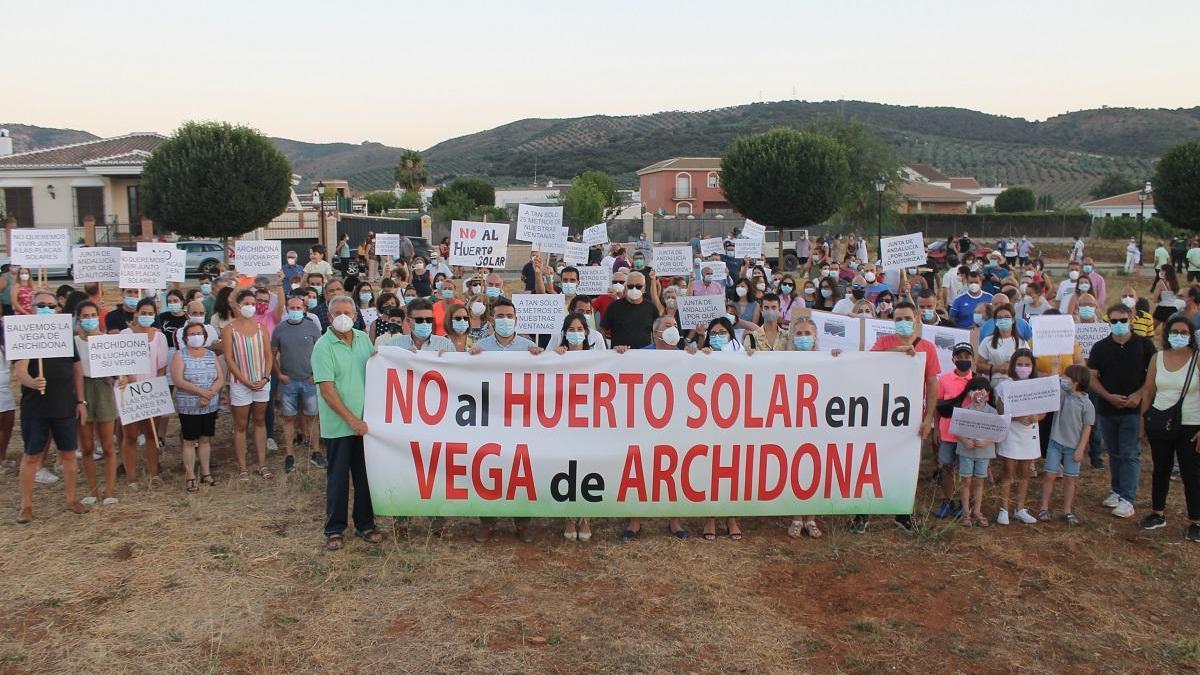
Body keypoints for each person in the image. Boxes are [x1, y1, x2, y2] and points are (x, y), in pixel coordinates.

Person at [469, 298, 544, 543]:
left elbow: (543, 378)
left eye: (509, 316)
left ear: (516, 319)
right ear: (491, 320)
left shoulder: (528, 346)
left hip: (520, 419)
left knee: (521, 470)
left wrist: (541, 357)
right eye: (500, 316)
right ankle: (487, 523)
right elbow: (466, 377)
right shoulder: (481, 346)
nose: (505, 320)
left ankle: (522, 524)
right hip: (489, 418)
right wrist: (469, 359)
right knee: (488, 469)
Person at [313, 294, 384, 550]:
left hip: (366, 425)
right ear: (329, 317)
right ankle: (335, 529)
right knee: (338, 478)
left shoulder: (364, 339)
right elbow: (327, 389)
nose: (344, 317)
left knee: (365, 477)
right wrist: (351, 419)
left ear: (356, 316)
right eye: (338, 313)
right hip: (340, 426)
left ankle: (366, 524)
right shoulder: (323, 346)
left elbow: (379, 368)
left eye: (349, 313)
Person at [15, 291, 89, 522]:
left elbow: (77, 370)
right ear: (32, 307)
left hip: (64, 406)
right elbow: (20, 371)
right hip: (35, 408)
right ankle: (26, 505)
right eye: (41, 305)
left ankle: (72, 499)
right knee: (31, 456)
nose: (46, 308)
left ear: (58, 308)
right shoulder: (25, 335)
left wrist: (81, 401)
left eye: (51, 305)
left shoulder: (64, 336)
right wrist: (32, 382)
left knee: (68, 453)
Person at [1088, 302, 1155, 519]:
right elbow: (1091, 376)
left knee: (1129, 453)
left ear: (1131, 318)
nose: (1118, 325)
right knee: (1114, 452)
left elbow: (1153, 378)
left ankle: (1128, 498)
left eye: (1122, 320)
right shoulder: (1100, 347)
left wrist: (1138, 395)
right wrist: (1107, 396)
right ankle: (1117, 491)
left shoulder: (1144, 346)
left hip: (1134, 410)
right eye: (1114, 321)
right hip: (1108, 409)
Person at [1137, 316, 1200, 542]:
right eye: (1175, 332)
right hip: (1160, 421)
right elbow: (1148, 391)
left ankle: (1196, 520)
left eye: (1184, 332)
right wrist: (1142, 422)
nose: (1179, 336)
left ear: (1191, 335)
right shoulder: (1157, 358)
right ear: (1167, 334)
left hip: (1191, 424)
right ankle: (1157, 513)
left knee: (1191, 473)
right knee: (1160, 468)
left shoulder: (1197, 359)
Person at [551, 312, 596, 542]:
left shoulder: (598, 358)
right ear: (564, 333)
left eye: (580, 329)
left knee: (587, 466)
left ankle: (585, 516)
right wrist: (552, 357)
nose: (576, 333)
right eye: (572, 329)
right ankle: (569, 516)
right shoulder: (556, 356)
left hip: (589, 421)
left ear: (587, 333)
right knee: (566, 466)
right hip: (563, 421)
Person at [117, 298, 169, 491]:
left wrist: (156, 390)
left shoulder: (159, 337)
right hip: (129, 389)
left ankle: (154, 474)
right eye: (143, 313)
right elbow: (121, 363)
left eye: (150, 313)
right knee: (129, 435)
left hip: (151, 390)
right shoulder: (125, 335)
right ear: (136, 313)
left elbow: (161, 367)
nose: (146, 316)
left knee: (151, 434)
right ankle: (132, 478)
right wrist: (130, 380)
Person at [222, 289, 274, 481]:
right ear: (237, 305)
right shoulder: (229, 329)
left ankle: (262, 464)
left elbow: (269, 356)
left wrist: (265, 378)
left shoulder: (261, 328)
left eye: (253, 303)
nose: (251, 307)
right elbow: (229, 358)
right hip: (240, 383)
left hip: (261, 382)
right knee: (241, 425)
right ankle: (243, 467)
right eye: (247, 303)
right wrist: (245, 381)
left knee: (260, 421)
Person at [272, 294, 324, 473]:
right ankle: (289, 454)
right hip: (288, 381)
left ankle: (316, 452)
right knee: (288, 418)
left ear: (304, 309)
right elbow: (272, 354)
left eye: (298, 308)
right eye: (292, 308)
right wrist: (279, 374)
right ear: (286, 309)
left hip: (309, 380)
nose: (295, 311)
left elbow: (320, 353)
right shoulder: (279, 329)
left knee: (312, 417)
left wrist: (315, 374)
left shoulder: (312, 327)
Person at [74, 301, 119, 506]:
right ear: (78, 318)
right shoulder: (73, 342)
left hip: (103, 389)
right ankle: (92, 491)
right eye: (86, 315)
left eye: (93, 315)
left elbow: (117, 369)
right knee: (87, 446)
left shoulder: (107, 341)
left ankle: (110, 490)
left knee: (108, 445)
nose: (90, 319)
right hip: (82, 389)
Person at [171, 322, 225, 492]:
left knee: (205, 439)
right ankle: (190, 475)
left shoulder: (211, 355)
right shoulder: (180, 355)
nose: (196, 337)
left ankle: (206, 473)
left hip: (209, 405)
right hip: (189, 405)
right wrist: (201, 392)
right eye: (192, 334)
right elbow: (178, 380)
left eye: (199, 333)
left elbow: (220, 378)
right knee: (189, 441)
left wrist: (210, 393)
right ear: (186, 338)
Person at [1038, 365, 1094, 526]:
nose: (1063, 379)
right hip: (1055, 442)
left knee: (1070, 479)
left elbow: (1087, 427)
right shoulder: (1061, 395)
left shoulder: (1086, 404)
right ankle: (1044, 507)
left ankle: (1067, 510)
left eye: (1066, 377)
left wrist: (1081, 448)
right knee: (1049, 475)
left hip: (1073, 447)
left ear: (1075, 382)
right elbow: (1051, 388)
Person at [994, 349, 1044, 525]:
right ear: (1014, 366)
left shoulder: (1037, 385)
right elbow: (1000, 411)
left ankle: (1020, 508)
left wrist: (1035, 417)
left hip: (1029, 434)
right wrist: (1017, 417)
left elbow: (1043, 412)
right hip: (1011, 433)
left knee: (1025, 472)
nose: (1023, 368)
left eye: (1027, 365)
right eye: (1020, 364)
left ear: (1033, 366)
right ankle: (1004, 509)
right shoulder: (1004, 386)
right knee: (1008, 472)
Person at [953, 376, 998, 527]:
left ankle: (977, 510)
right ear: (969, 393)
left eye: (982, 391)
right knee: (966, 481)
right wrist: (965, 440)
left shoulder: (992, 412)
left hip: (984, 452)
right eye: (974, 391)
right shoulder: (963, 411)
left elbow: (997, 431)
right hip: (966, 451)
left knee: (979, 481)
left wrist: (986, 441)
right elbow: (956, 430)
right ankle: (966, 511)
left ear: (987, 394)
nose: (978, 394)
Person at [601, 271, 659, 349]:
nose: (634, 289)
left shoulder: (651, 307)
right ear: (625, 287)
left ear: (644, 287)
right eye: (630, 286)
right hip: (619, 355)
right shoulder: (614, 306)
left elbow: (656, 332)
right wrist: (605, 348)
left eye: (638, 286)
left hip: (644, 355)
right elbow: (602, 329)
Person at [976, 304, 1026, 385]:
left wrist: (1012, 366)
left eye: (1007, 317)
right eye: (999, 318)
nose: (1003, 320)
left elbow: (1028, 365)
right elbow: (979, 366)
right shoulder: (987, 341)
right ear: (995, 321)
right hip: (992, 385)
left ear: (1013, 320)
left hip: (1015, 385)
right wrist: (997, 368)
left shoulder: (1022, 343)